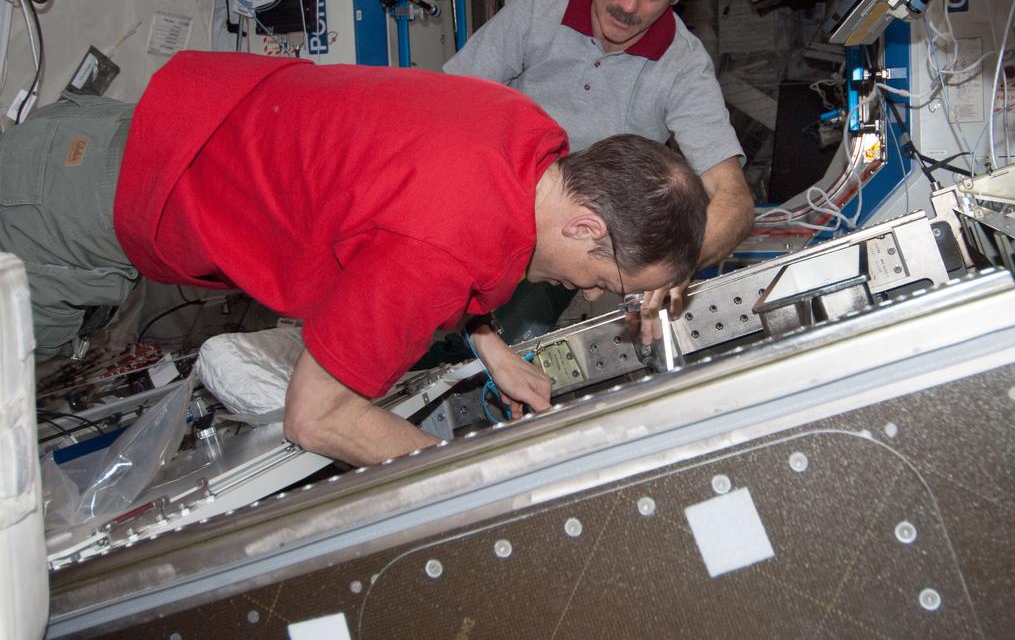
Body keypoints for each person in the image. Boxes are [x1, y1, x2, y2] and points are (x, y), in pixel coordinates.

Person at [0, 50, 708, 466]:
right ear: (587, 227)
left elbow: (426, 215)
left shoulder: (528, 135)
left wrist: (488, 342)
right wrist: (481, 479)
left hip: (116, 136)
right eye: (609, 282)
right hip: (69, 208)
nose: (589, 295)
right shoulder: (442, 248)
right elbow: (316, 418)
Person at [443, 0, 754, 341]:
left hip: (578, 239)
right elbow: (452, 105)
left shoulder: (683, 65)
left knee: (521, 337)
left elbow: (735, 199)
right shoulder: (536, 13)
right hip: (489, 202)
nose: (629, 7)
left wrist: (672, 267)